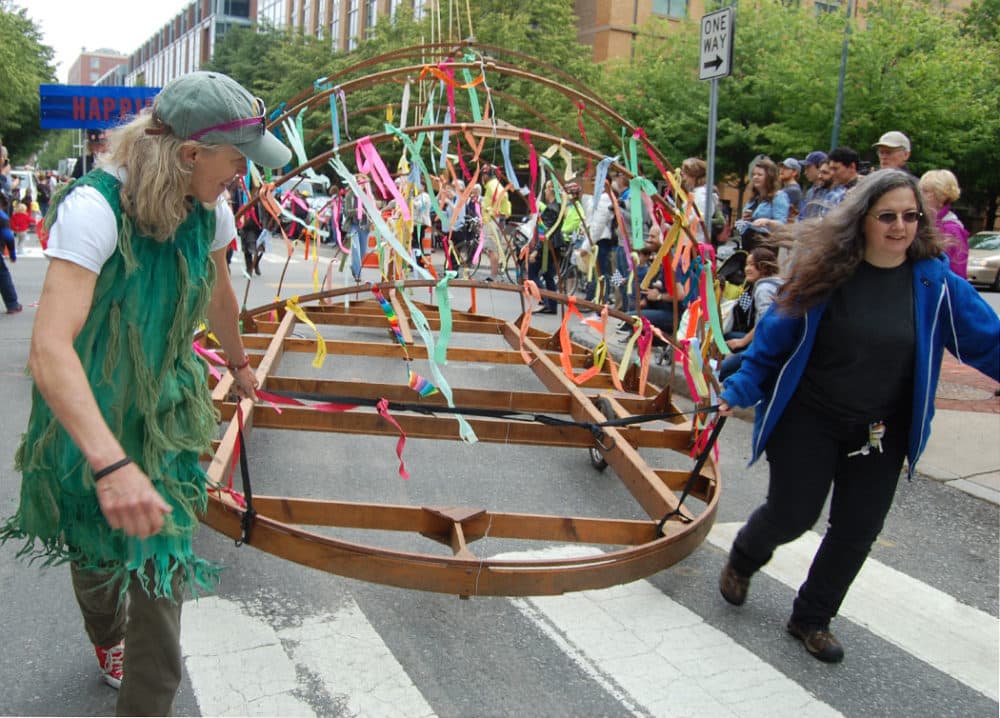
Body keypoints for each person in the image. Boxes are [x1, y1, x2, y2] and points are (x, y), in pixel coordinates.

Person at [0, 71, 291, 714]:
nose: (242, 174)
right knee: (97, 552)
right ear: (190, 155)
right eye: (236, 158)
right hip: (90, 413)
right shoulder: (94, 207)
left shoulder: (209, 210)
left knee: (163, 565)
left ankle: (147, 700)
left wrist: (241, 366)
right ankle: (106, 634)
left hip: (166, 409)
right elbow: (50, 348)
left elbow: (217, 293)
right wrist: (109, 465)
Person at [716, 169, 999, 664]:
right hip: (810, 417)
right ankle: (744, 555)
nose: (900, 227)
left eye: (910, 216)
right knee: (793, 514)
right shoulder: (826, 274)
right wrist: (739, 387)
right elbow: (770, 346)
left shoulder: (934, 283)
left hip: (881, 431)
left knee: (856, 531)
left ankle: (812, 617)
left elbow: (988, 341)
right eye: (886, 216)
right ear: (862, 221)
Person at [718, 247, 783, 381]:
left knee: (721, 372)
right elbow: (742, 311)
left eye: (752, 265)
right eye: (747, 264)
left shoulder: (764, 289)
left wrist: (742, 342)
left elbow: (765, 321)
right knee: (727, 337)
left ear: (763, 266)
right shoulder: (757, 286)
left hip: (763, 346)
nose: (747, 268)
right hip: (760, 340)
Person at [918, 169, 970, 279]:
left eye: (926, 191)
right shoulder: (920, 221)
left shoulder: (952, 230)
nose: (920, 195)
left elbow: (956, 273)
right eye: (920, 191)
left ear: (941, 196)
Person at [529, 180, 563, 313]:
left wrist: (536, 250)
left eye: (546, 189)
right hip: (552, 246)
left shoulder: (552, 209)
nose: (544, 191)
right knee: (548, 275)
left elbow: (545, 232)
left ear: (551, 190)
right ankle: (551, 305)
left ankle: (545, 300)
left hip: (547, 247)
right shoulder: (557, 206)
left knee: (532, 273)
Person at [739, 158, 789, 237]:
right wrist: (746, 219)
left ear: (769, 177)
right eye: (754, 174)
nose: (755, 177)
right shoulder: (754, 198)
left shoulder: (778, 196)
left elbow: (782, 224)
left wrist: (767, 222)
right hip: (749, 242)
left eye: (759, 175)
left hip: (766, 243)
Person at [480, 165, 510, 282]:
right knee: (490, 248)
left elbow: (501, 196)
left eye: (483, 175)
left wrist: (492, 211)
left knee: (492, 249)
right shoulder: (493, 185)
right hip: (492, 220)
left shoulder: (492, 185)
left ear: (486, 175)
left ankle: (493, 275)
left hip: (491, 221)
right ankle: (495, 271)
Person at [0, 193, 22, 313]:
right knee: (3, 276)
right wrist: (12, 254)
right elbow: (8, 237)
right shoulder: (2, 216)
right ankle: (12, 304)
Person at [800, 152, 830, 220]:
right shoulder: (809, 192)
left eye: (808, 167)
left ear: (820, 167)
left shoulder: (830, 192)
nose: (805, 172)